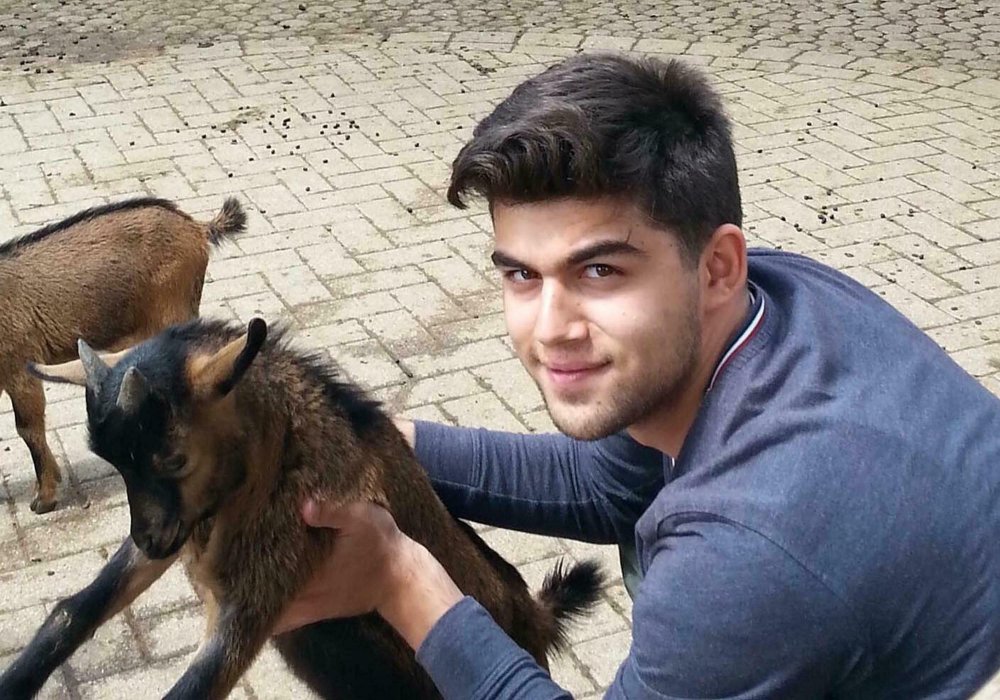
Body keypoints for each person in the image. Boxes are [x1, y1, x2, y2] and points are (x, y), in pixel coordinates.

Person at [273, 52, 1000, 698]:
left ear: (718, 266)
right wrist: (373, 441)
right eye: (522, 275)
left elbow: (743, 551)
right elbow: (605, 484)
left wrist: (403, 581)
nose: (550, 327)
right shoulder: (776, 301)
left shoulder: (745, 551)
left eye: (599, 271)